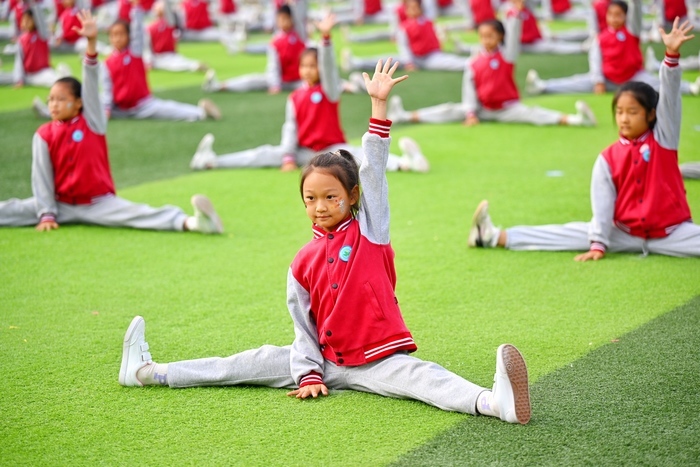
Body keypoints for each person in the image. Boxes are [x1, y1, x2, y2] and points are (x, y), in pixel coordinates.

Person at [119, 58, 532, 425]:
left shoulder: (371, 229)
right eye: (310, 199)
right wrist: (310, 373)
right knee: (240, 364)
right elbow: (303, 327)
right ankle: (148, 372)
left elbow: (372, 170)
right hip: (323, 362)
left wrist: (378, 108)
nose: (319, 206)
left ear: (352, 197)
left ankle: (495, 403)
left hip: (378, 359)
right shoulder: (301, 261)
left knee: (426, 378)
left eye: (331, 197)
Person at [468, 18, 700, 260]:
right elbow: (602, 205)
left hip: (673, 233)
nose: (624, 119)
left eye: (633, 112)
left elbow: (671, 100)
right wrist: (599, 243)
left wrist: (671, 57)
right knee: (572, 233)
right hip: (624, 233)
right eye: (619, 112)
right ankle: (492, 236)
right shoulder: (607, 158)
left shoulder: (664, 139)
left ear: (651, 114)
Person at [0, 10, 224, 235]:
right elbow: (41, 177)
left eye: (61, 99)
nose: (54, 104)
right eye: (51, 100)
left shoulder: (92, 122)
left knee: (139, 213)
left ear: (79, 103)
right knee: (15, 208)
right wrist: (47, 213)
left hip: (98, 203)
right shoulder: (43, 134)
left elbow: (91, 81)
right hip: (61, 205)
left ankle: (194, 223)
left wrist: (91, 42)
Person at [191, 14, 428, 172]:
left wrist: (325, 40)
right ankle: (211, 161)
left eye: (312, 66)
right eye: (304, 66)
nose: (307, 70)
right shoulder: (294, 96)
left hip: (333, 150)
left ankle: (405, 164)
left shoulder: (329, 90)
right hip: (305, 154)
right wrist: (287, 157)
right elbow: (290, 128)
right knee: (262, 154)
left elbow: (329, 68)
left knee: (358, 156)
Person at [386, 15, 597, 128]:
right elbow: (469, 90)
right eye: (483, 36)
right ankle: (404, 116)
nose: (486, 40)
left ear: (500, 37)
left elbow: (514, 36)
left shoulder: (507, 55)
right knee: (448, 110)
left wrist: (514, 14)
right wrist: (470, 113)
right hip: (481, 108)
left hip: (507, 108)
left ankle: (575, 120)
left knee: (533, 114)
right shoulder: (474, 61)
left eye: (491, 36)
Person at [526, 0, 700, 96]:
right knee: (575, 81)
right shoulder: (600, 38)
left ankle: (690, 88)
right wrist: (598, 81)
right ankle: (542, 86)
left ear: (626, 16)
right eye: (610, 15)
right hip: (608, 80)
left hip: (633, 77)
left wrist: (634, 4)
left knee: (658, 83)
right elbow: (595, 61)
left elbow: (636, 11)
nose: (614, 18)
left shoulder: (632, 30)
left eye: (619, 15)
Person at [102, 0, 222, 121]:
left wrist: (136, 8)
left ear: (129, 36)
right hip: (120, 109)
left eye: (121, 34)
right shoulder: (107, 63)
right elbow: (107, 90)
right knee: (96, 101)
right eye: (113, 35)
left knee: (169, 108)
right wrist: (106, 109)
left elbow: (138, 30)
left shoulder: (134, 51)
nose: (117, 38)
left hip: (143, 104)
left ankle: (201, 112)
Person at [202, 4, 306, 93]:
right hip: (282, 80)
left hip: (298, 81)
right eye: (280, 19)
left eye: (286, 19)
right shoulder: (276, 41)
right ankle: (219, 86)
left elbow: (298, 16)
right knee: (251, 80)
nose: (283, 22)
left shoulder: (299, 35)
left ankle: (240, 48)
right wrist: (275, 85)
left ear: (292, 19)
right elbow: (274, 66)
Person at [342, 0, 468, 73]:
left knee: (450, 61)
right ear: (406, 10)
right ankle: (356, 63)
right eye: (410, 8)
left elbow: (433, 39)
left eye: (415, 7)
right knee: (386, 61)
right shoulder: (404, 26)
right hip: (413, 58)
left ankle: (470, 63)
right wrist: (409, 62)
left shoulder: (427, 21)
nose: (413, 10)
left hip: (429, 57)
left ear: (420, 8)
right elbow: (404, 46)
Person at [0, 0, 70, 87]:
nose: (25, 22)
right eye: (24, 19)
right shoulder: (22, 39)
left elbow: (40, 18)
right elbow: (19, 61)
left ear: (35, 21)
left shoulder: (41, 35)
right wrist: (19, 79)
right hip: (27, 75)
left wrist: (33, 3)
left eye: (29, 20)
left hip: (41, 72)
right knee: (6, 77)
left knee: (53, 79)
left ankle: (65, 79)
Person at [144, 0, 207, 73]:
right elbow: (148, 47)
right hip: (159, 57)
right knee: (174, 64)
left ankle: (194, 64)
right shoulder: (151, 27)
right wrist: (149, 61)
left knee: (179, 60)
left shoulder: (168, 23)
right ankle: (193, 65)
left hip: (169, 54)